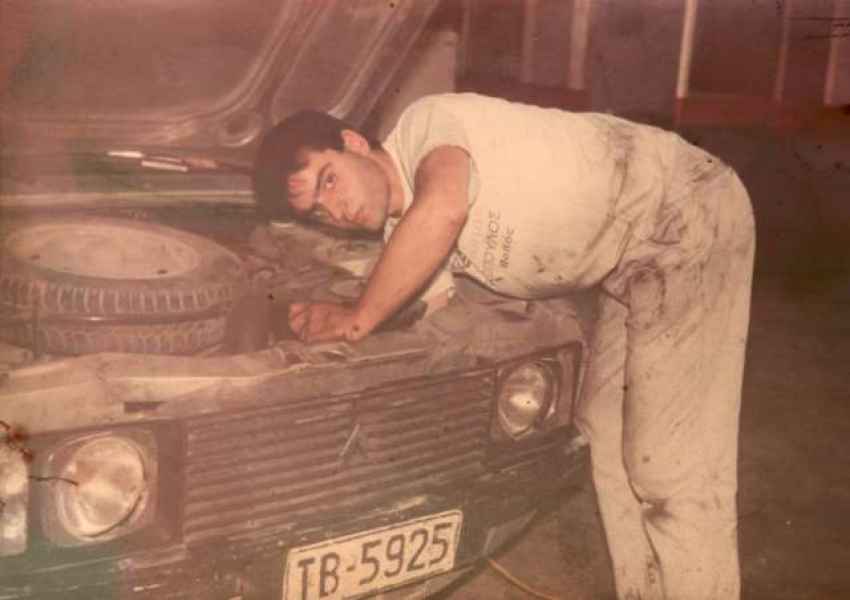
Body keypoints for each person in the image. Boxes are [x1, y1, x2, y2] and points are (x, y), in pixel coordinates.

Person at [253, 93, 755, 600]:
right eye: (318, 211)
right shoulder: (402, 234)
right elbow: (432, 313)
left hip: (686, 210)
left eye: (330, 180)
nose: (337, 210)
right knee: (604, 432)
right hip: (629, 262)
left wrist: (356, 318)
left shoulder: (426, 125)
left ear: (354, 143)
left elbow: (444, 209)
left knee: (668, 466)